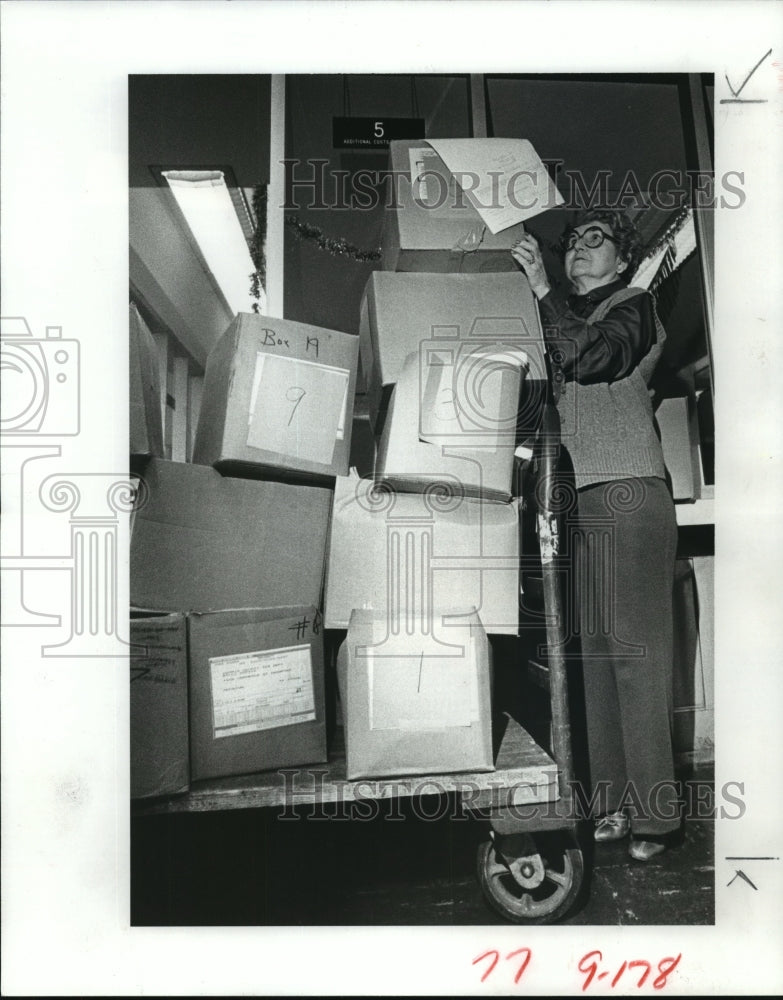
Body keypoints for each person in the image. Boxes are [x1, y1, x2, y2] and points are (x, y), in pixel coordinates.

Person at [511, 209, 680, 862]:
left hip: (629, 491)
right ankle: (610, 803)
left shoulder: (633, 306)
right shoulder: (555, 323)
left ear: (620, 257)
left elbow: (593, 357)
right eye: (571, 242)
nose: (580, 249)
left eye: (595, 240)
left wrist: (541, 289)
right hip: (576, 505)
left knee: (636, 659)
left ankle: (657, 819)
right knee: (594, 665)